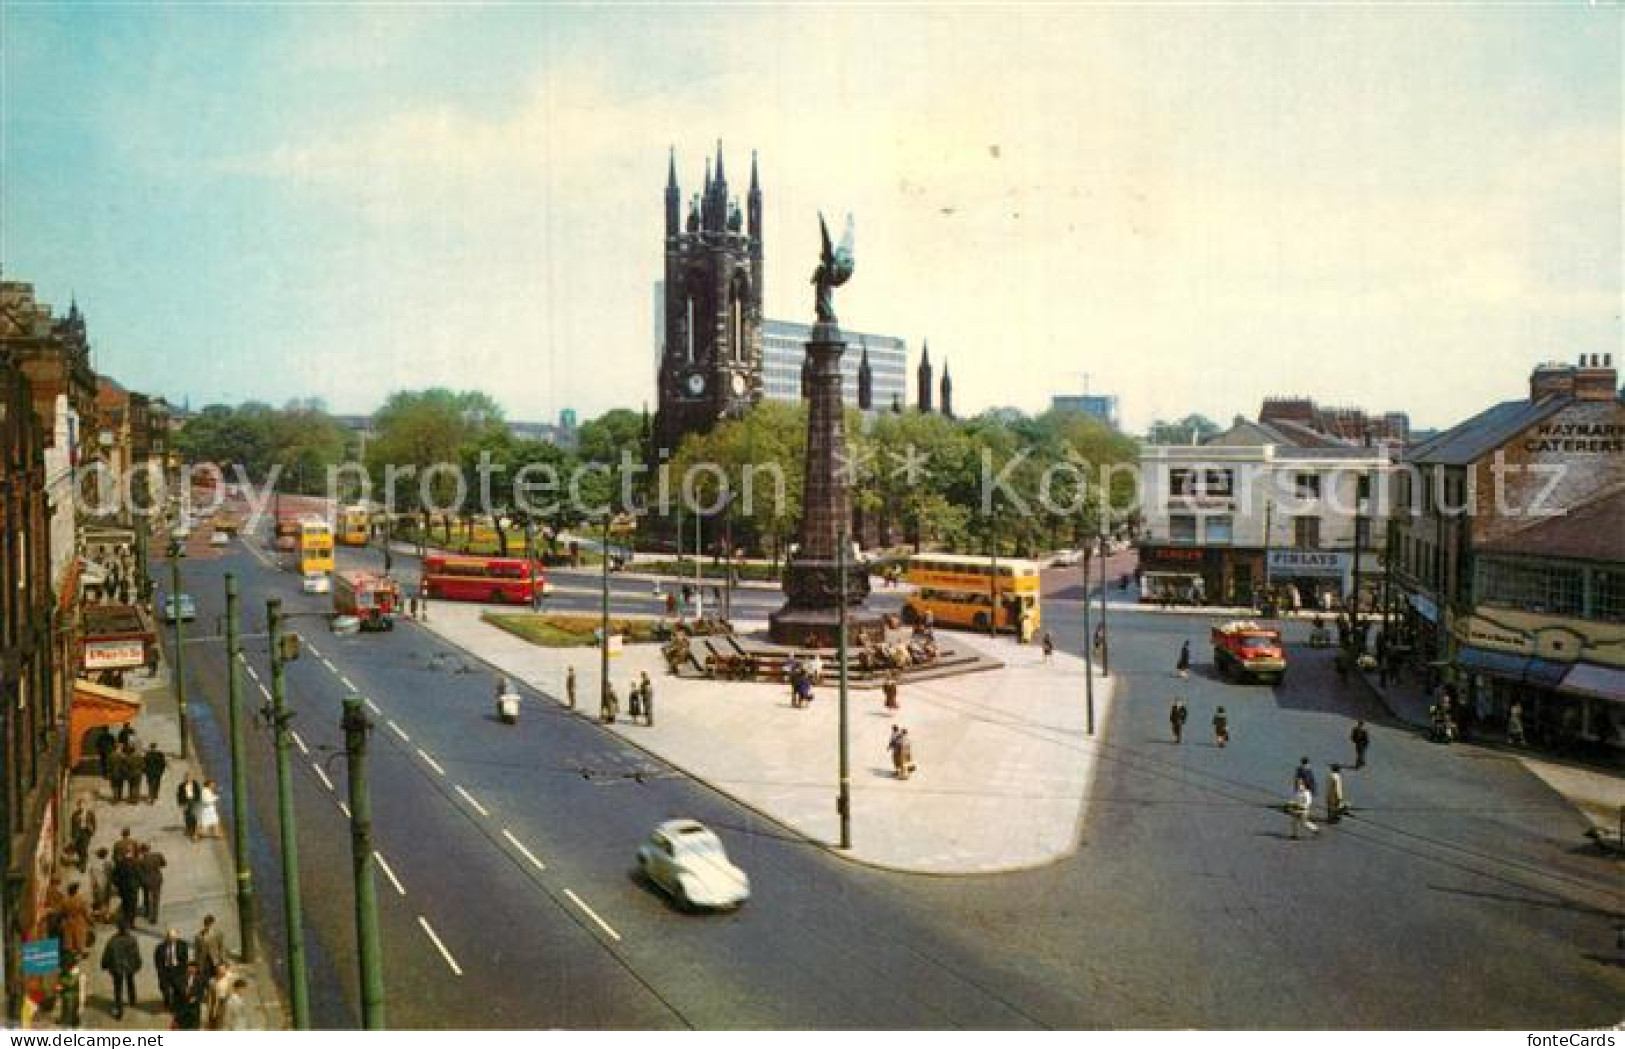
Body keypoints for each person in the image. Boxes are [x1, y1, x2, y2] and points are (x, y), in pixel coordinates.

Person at [100, 922, 142, 1019]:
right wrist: (137, 964)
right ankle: (132, 1000)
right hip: (129, 966)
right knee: (130, 982)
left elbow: (107, 953)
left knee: (118, 989)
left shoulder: (112, 940)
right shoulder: (132, 939)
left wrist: (104, 964)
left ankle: (119, 1010)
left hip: (116, 968)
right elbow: (136, 954)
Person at [154, 928, 189, 1012]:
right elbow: (157, 960)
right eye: (170, 937)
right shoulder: (160, 947)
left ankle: (176, 1006)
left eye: (173, 937)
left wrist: (183, 971)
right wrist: (160, 971)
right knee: (165, 990)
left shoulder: (182, 945)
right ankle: (167, 1003)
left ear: (177, 937)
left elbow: (185, 959)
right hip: (165, 970)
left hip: (177, 970)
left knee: (178, 989)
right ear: (167, 937)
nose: (171, 939)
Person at [57, 883, 92, 958]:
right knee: (79, 941)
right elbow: (85, 912)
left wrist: (61, 921)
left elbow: (61, 913)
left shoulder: (65, 900)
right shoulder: (80, 899)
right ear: (76, 891)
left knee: (70, 942)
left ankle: (72, 957)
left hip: (68, 922)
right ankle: (80, 954)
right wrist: (90, 921)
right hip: (79, 922)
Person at [55, 952, 86, 1028]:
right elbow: (61, 978)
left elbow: (71, 982)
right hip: (65, 993)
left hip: (73, 994)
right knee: (64, 1005)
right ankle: (63, 1018)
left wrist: (62, 984)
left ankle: (75, 1021)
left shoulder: (75, 971)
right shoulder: (65, 970)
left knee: (74, 1007)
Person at [174, 961, 207, 1030]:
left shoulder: (201, 980)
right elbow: (176, 992)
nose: (191, 969)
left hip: (194, 1009)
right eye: (190, 967)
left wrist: (196, 998)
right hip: (182, 1008)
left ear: (196, 969)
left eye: (194, 968)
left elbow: (202, 993)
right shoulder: (180, 979)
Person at [139, 843, 167, 923]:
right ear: (149, 849)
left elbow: (140, 872)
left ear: (142, 851)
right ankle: (154, 917)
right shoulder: (158, 855)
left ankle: (147, 912)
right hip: (157, 879)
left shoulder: (141, 861)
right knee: (156, 899)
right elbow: (164, 864)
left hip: (146, 881)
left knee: (146, 896)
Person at [69, 796, 96, 873]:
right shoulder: (75, 815)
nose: (81, 806)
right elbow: (72, 826)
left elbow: (94, 823)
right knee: (78, 849)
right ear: (78, 806)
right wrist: (72, 836)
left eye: (83, 805)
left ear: (86, 805)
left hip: (86, 833)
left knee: (84, 849)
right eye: (80, 805)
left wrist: (92, 831)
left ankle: (83, 865)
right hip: (78, 833)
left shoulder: (90, 813)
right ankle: (81, 860)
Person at [89, 848, 114, 922]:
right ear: (105, 855)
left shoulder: (94, 864)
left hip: (97, 884)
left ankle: (98, 916)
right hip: (105, 884)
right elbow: (110, 875)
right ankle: (105, 916)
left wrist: (93, 883)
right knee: (106, 901)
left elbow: (91, 875)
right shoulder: (108, 864)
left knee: (97, 900)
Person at [176, 774, 202, 840]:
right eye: (188, 777)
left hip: (194, 801)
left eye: (191, 777)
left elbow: (198, 793)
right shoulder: (181, 786)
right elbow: (179, 795)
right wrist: (181, 804)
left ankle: (193, 830)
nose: (189, 779)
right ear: (185, 778)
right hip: (185, 802)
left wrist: (197, 801)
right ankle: (189, 829)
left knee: (193, 816)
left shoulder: (196, 785)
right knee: (187, 816)